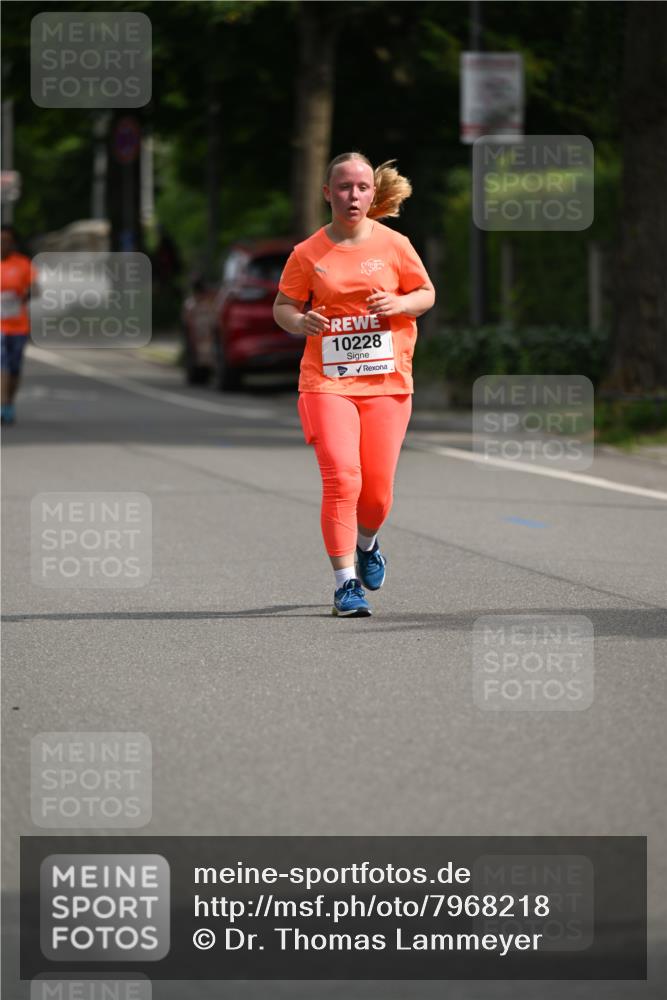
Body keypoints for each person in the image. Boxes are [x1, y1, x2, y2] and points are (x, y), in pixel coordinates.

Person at [273, 152, 435, 617]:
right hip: (327, 381)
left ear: (373, 193)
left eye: (362, 187)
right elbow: (283, 306)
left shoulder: (395, 245)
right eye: (344, 187)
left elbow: (426, 293)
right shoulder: (308, 253)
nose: (353, 195)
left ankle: (368, 544)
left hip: (386, 381)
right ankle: (345, 584)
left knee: (376, 493)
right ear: (328, 193)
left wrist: (400, 304)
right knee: (343, 477)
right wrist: (301, 321)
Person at [1, 225, 38, 426]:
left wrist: (25, 295)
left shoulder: (23, 264)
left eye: (7, 240)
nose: (3, 244)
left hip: (18, 326)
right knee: (2, 364)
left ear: (13, 243)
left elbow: (36, 289)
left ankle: (9, 403)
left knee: (14, 368)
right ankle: (2, 404)